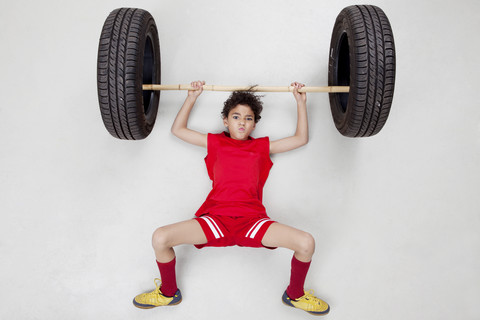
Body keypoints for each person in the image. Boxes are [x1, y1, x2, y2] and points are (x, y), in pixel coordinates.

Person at [133, 81, 330, 315]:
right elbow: (178, 130)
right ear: (225, 121)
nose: (242, 122)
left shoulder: (261, 147)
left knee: (306, 243)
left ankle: (295, 294)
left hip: (252, 223)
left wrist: (300, 102)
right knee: (160, 238)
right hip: (215, 220)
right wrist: (192, 97)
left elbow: (300, 139)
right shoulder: (216, 142)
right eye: (236, 117)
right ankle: (168, 293)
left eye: (248, 118)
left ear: (254, 124)